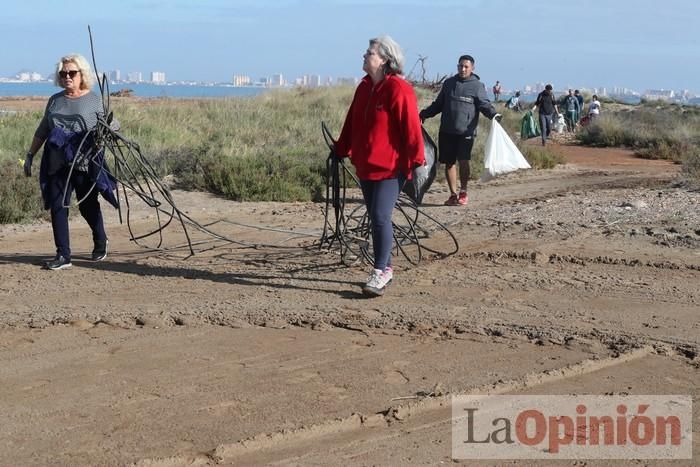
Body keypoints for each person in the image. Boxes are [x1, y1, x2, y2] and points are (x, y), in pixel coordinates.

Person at [335, 36, 425, 297]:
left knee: (380, 216)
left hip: (391, 167)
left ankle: (380, 271)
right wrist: (341, 149)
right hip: (366, 165)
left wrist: (416, 160)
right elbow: (351, 122)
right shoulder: (363, 87)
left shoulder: (399, 89)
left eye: (369, 52)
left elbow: (411, 128)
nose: (364, 55)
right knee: (376, 218)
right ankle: (386, 266)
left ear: (384, 58)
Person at [23, 53, 118, 270]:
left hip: (84, 159)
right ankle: (63, 255)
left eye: (72, 73)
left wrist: (113, 128)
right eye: (63, 73)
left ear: (81, 74)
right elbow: (44, 129)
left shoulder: (92, 99)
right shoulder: (55, 100)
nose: (67, 76)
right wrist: (30, 155)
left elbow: (109, 123)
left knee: (87, 205)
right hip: (56, 159)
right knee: (58, 205)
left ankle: (100, 241)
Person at [420, 54, 500, 206]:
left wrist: (494, 115)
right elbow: (438, 105)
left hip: (466, 133)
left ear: (472, 68)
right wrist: (423, 115)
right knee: (449, 163)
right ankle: (452, 194)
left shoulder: (477, 86)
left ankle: (463, 191)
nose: (462, 69)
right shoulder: (449, 83)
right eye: (460, 66)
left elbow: (484, 105)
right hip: (447, 131)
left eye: (466, 67)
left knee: (464, 161)